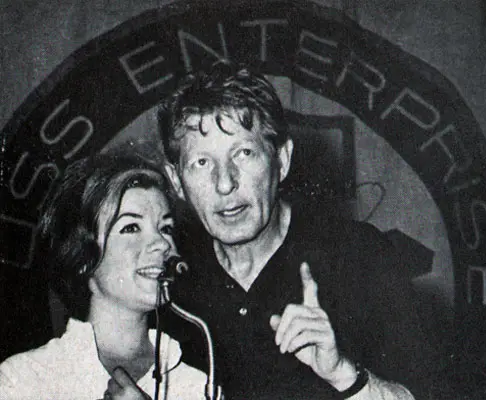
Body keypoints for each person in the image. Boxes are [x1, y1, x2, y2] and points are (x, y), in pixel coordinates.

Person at [156, 62, 433, 400]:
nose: (225, 183)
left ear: (282, 160)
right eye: (201, 163)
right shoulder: (170, 279)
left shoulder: (359, 255)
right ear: (176, 182)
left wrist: (343, 373)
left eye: (243, 153)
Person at [0, 153, 207, 400]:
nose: (162, 244)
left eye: (166, 228)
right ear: (83, 258)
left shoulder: (198, 385)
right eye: (131, 228)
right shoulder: (23, 378)